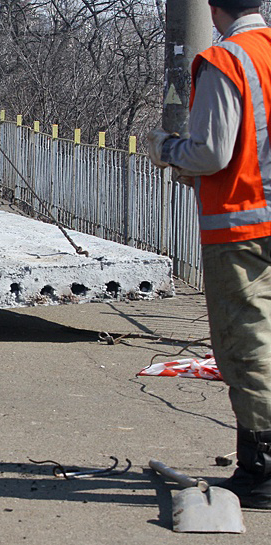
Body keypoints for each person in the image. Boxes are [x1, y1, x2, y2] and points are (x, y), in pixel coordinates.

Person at [146, 0, 271, 509]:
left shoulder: (225, 60)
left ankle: (260, 472)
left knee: (247, 346)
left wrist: (165, 147)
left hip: (242, 228)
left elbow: (212, 153)